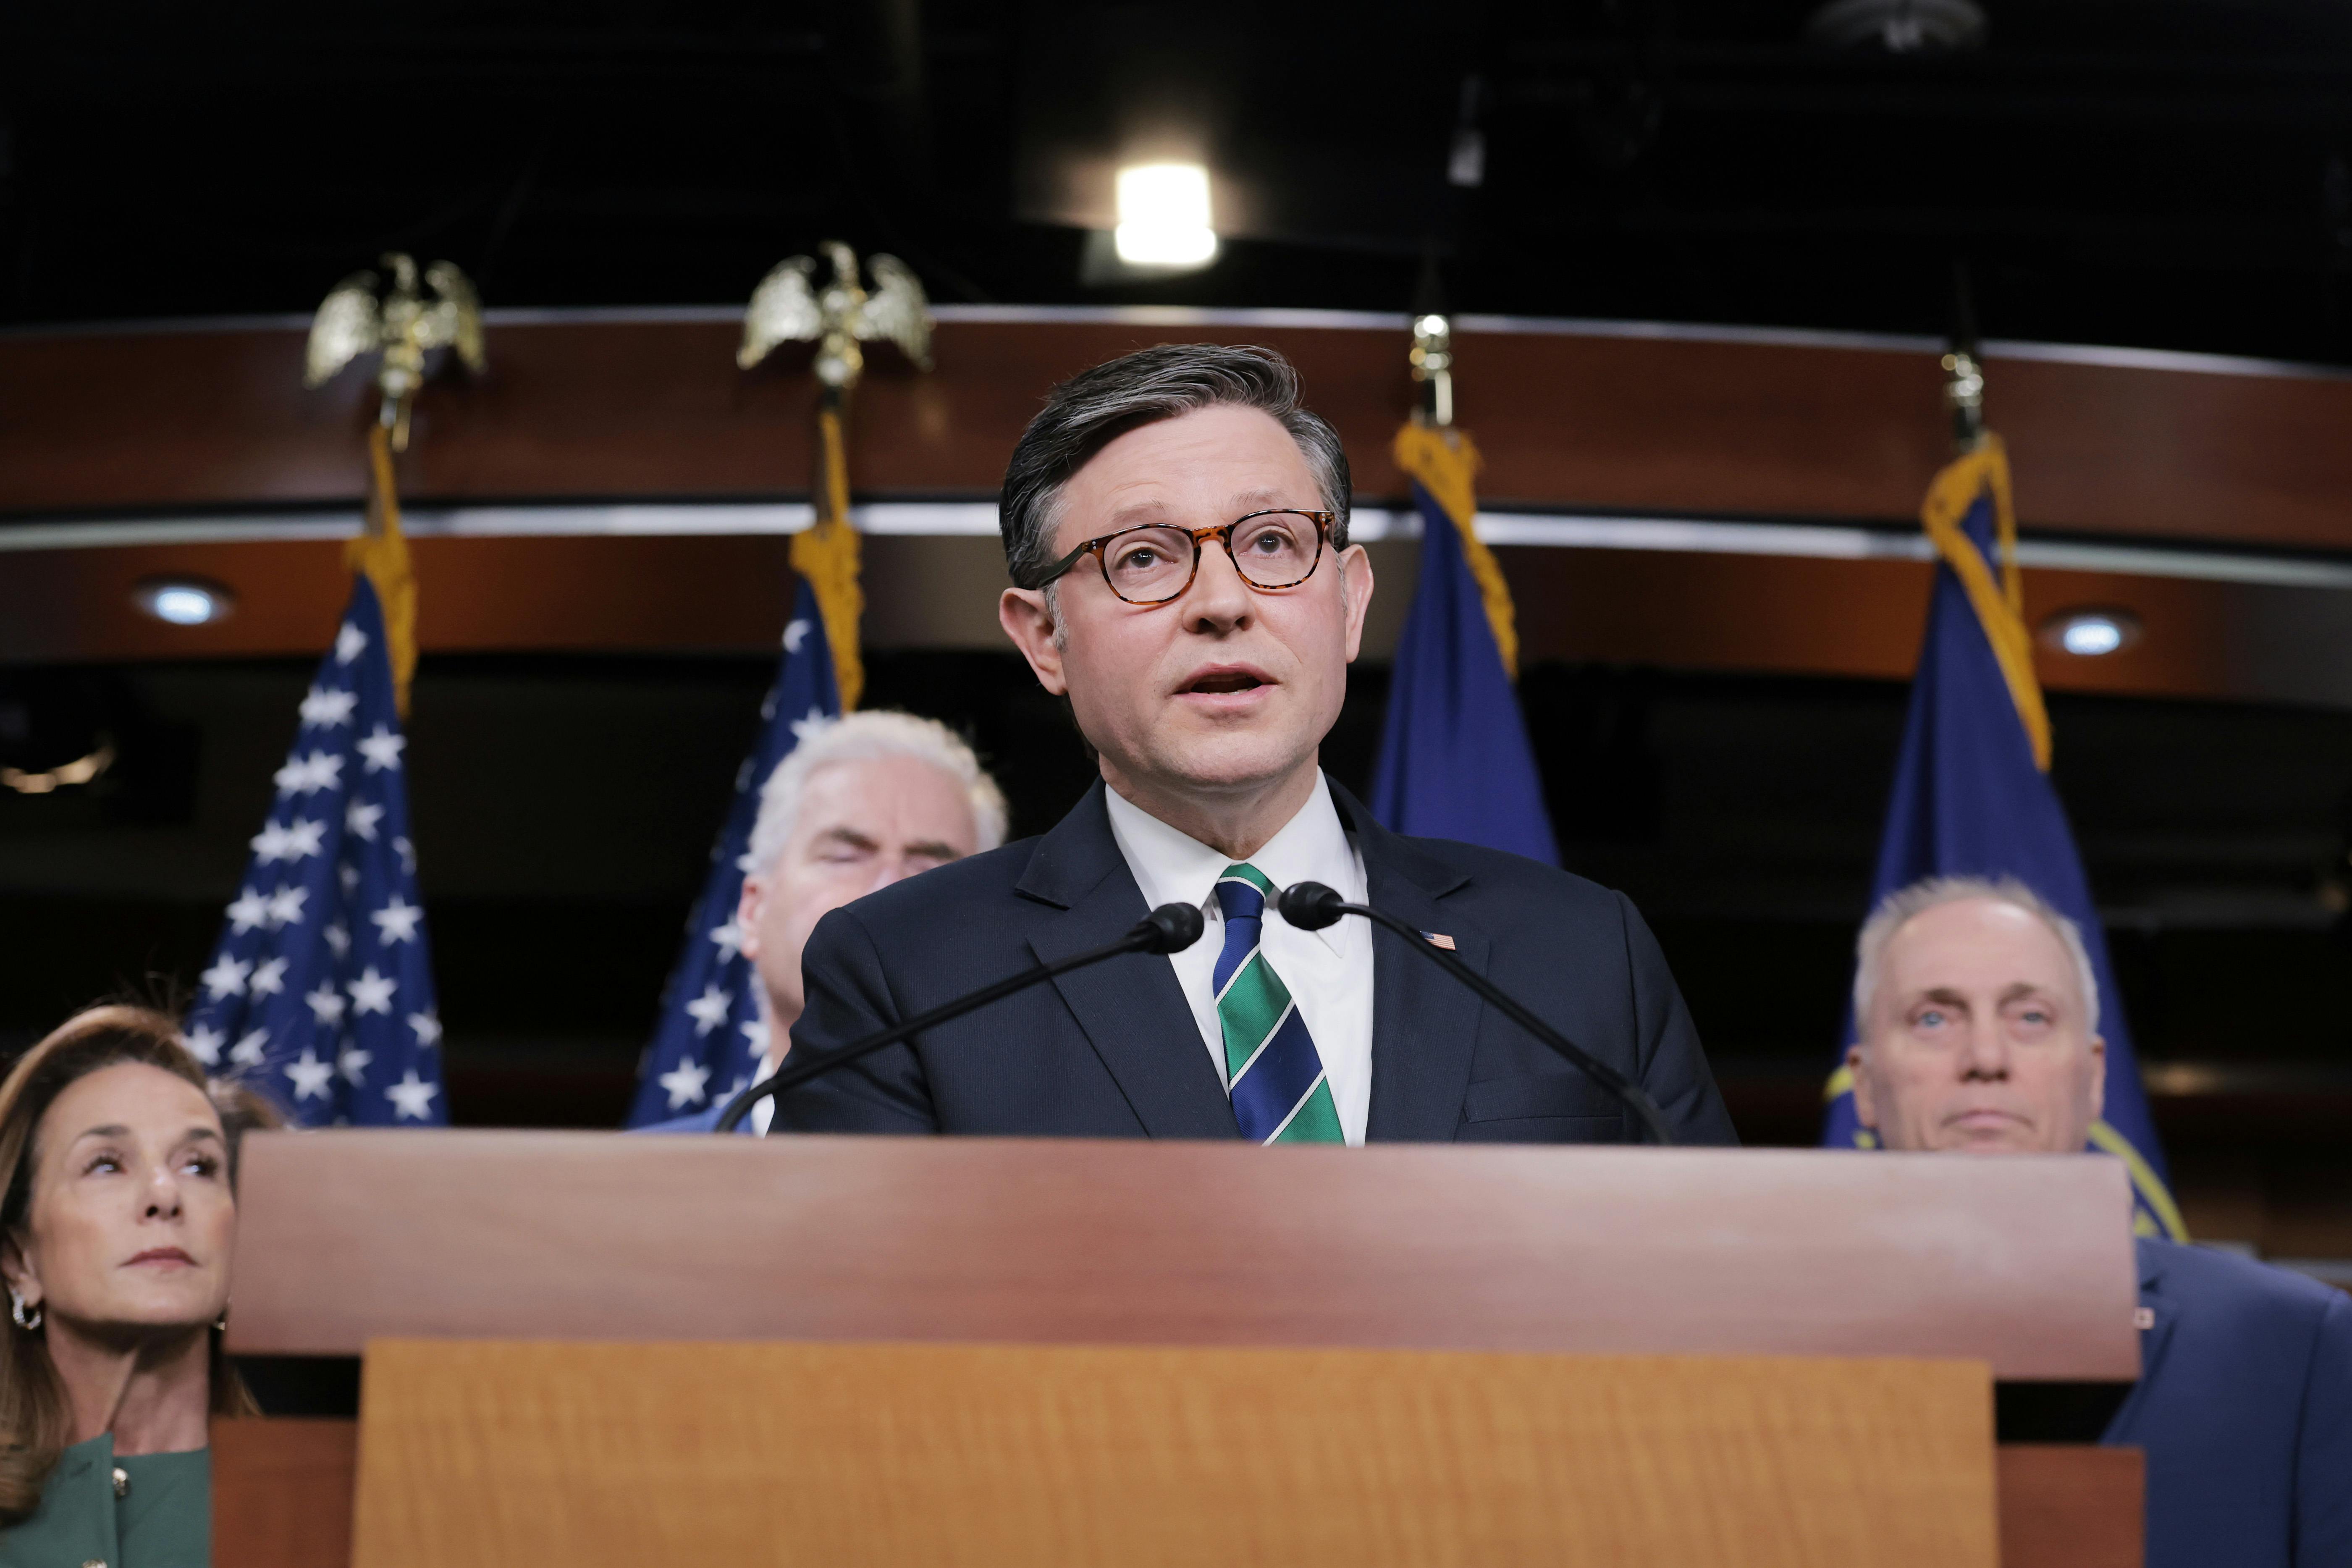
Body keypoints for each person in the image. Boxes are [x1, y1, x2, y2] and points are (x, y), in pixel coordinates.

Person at [780, 343, 1734, 1145]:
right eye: (1144, 558)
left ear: (1351, 601)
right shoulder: (911, 974)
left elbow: (1710, 1317)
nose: (1223, 603)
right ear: (1042, 638)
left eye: (1273, 543)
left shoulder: (1575, 955)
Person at [1842, 875, 2352, 1568]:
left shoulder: (2297, 1347)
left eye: (2030, 1017)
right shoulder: (1746, 1353)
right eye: (1934, 1017)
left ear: (2092, 1077)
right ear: (1865, 1083)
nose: (1985, 1058)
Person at [0, 1004, 275, 1568]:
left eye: (199, 1165)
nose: (164, 1193)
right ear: (19, 1259)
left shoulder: (324, 1499)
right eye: (106, 1164)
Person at [646, 711, 1008, 1132]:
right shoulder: (633, 1187)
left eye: (930, 866)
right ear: (752, 912)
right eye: (844, 856)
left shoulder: (1049, 1184)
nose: (888, 888)